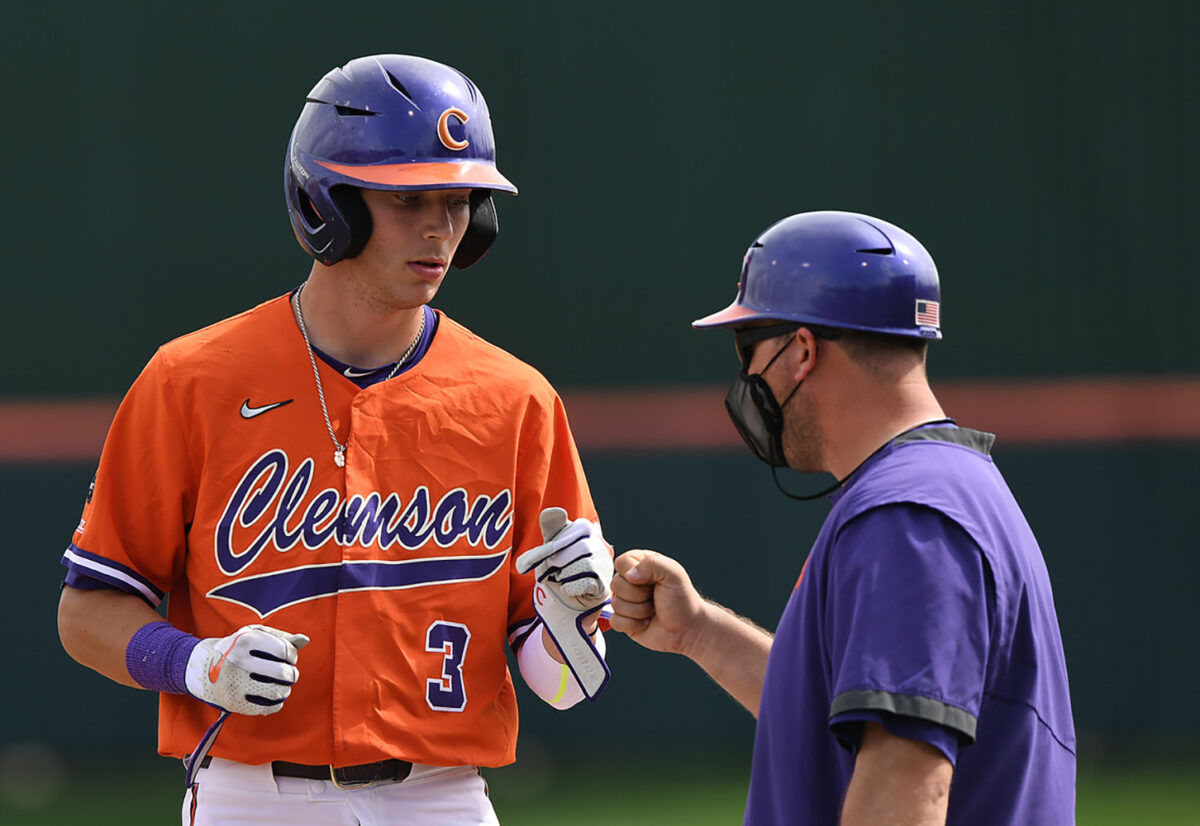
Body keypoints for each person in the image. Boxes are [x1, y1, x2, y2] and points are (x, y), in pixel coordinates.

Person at [57, 54, 613, 826]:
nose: (440, 227)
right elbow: (87, 614)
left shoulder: (517, 400)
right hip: (251, 794)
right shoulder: (192, 380)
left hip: (443, 797)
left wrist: (569, 621)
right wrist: (194, 663)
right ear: (330, 203)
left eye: (460, 200)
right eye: (409, 196)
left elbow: (562, 685)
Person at [610, 211, 1076, 825]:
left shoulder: (908, 517)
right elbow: (838, 715)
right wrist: (698, 631)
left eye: (749, 348)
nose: (747, 376)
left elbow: (905, 786)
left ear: (801, 350)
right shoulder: (942, 491)